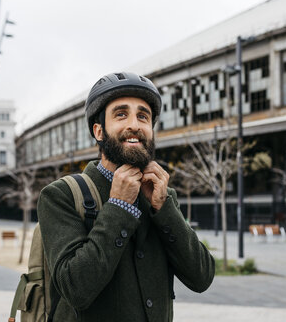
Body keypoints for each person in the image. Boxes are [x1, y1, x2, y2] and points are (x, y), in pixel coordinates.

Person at [37, 72, 215, 322]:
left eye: (143, 116)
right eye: (121, 114)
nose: (134, 124)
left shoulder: (162, 197)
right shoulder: (61, 195)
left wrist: (164, 210)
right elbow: (75, 289)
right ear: (99, 131)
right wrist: (118, 206)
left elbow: (202, 277)